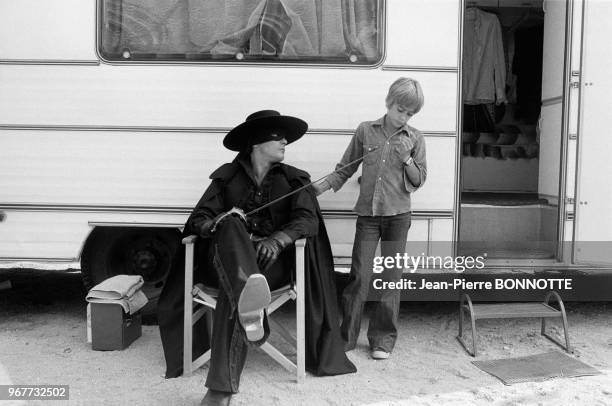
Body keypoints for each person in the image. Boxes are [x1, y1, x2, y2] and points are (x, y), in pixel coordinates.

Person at [157, 110, 356, 406]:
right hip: (222, 262)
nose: (285, 141)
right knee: (232, 223)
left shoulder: (293, 180)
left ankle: (220, 391)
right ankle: (248, 299)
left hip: (269, 268)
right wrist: (221, 221)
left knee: (235, 288)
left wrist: (278, 239)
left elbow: (307, 220)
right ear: (256, 143)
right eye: (278, 136)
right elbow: (199, 217)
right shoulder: (226, 178)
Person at [313, 78, 427, 360]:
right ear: (389, 102)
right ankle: (346, 337)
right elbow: (345, 168)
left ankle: (382, 341)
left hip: (399, 217)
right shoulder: (366, 130)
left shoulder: (415, 138)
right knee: (359, 276)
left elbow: (420, 179)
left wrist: (408, 160)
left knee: (391, 279)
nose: (404, 117)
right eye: (401, 110)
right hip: (368, 217)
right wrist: (322, 187)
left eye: (410, 113)